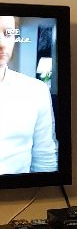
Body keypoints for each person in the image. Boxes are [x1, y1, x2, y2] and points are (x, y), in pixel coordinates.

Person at [0, 15, 57, 173]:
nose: (2, 43)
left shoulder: (35, 91)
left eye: (8, 33)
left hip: (21, 188)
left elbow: (45, 158)